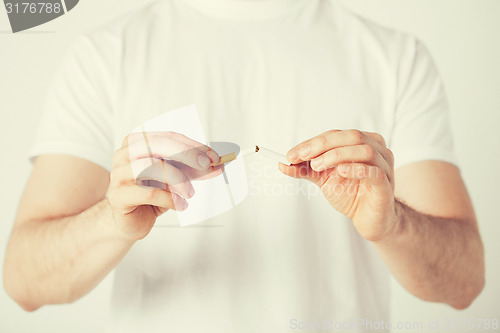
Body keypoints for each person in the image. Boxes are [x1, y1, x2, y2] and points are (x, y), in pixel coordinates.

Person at [3, 0, 484, 332]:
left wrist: (392, 224)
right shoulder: (107, 55)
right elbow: (24, 281)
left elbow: (465, 282)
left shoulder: (395, 58)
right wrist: (112, 222)